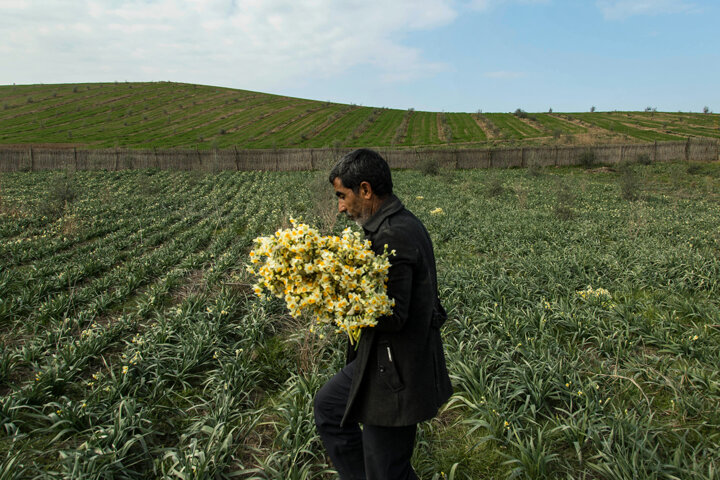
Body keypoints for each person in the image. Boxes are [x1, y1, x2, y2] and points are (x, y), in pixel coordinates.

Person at [314, 148, 453, 480]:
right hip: (382, 362)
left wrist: (334, 299)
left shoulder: (393, 235)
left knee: (388, 470)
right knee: (330, 407)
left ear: (365, 190)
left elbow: (393, 315)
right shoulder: (395, 224)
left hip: (395, 376)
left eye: (342, 196)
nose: (341, 207)